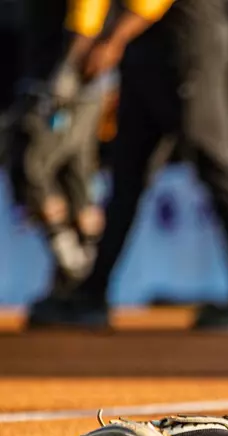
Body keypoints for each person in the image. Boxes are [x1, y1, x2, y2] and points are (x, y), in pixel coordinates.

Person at [27, 0, 228, 330]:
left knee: (218, 170)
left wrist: (110, 42)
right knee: (126, 178)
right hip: (143, 57)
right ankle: (91, 294)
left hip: (190, 52)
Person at [6, 0, 110, 296]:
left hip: (63, 86)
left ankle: (76, 267)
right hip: (70, 84)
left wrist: (66, 71)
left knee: (30, 168)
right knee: (74, 178)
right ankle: (75, 279)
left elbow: (88, 14)